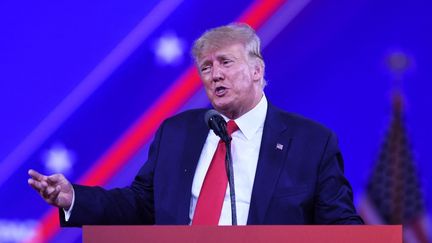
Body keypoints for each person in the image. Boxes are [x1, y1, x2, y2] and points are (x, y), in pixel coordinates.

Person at [28, 23, 363, 226]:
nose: (215, 74)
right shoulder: (177, 132)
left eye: (226, 63)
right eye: (206, 67)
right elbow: (141, 204)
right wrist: (74, 197)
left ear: (257, 70)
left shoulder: (311, 142)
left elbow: (339, 223)